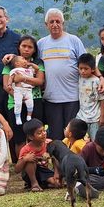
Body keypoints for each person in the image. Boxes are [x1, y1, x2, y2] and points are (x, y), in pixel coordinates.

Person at [37, 8, 88, 139]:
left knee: (73, 135)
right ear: (46, 24)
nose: (55, 24)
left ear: (63, 23)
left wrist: (100, 77)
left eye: (58, 21)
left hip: (72, 97)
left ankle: (74, 159)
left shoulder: (73, 40)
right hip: (51, 98)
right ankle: (58, 160)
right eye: (51, 21)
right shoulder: (41, 43)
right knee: (55, 135)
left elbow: (86, 63)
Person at [3, 36, 44, 159]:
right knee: (19, 137)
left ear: (34, 50)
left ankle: (38, 162)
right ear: (19, 47)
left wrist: (23, 79)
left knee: (36, 136)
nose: (26, 49)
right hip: (15, 103)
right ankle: (22, 164)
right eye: (23, 46)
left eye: (30, 47)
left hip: (34, 101)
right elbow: (6, 86)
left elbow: (40, 81)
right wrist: (19, 98)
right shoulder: (10, 64)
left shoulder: (37, 63)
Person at [15, 119, 56, 192]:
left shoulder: (49, 143)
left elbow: (55, 159)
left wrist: (56, 174)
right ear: (31, 137)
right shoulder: (26, 149)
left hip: (44, 171)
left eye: (44, 130)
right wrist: (25, 159)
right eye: (39, 132)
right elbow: (17, 170)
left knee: (57, 183)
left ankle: (43, 184)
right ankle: (34, 183)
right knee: (30, 158)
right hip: (30, 173)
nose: (44, 133)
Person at [77, 53, 104, 141]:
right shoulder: (79, 78)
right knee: (80, 140)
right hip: (81, 116)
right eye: (81, 68)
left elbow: (102, 99)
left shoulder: (96, 81)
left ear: (93, 69)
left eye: (86, 69)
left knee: (95, 141)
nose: (83, 71)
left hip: (95, 118)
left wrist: (102, 116)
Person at [5, 55, 36, 125]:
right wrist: (9, 85)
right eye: (23, 59)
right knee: (18, 104)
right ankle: (18, 117)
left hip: (28, 90)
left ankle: (29, 116)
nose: (25, 60)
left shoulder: (29, 70)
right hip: (18, 90)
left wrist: (31, 64)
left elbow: (37, 69)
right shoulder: (15, 70)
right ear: (17, 63)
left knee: (31, 104)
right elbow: (11, 78)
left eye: (25, 59)